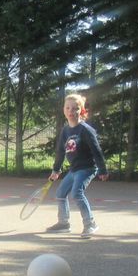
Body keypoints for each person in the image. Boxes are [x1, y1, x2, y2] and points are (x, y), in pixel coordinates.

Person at [46, 93, 109, 238]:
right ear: (64, 110)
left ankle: (90, 224)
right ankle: (64, 223)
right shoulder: (65, 131)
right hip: (74, 169)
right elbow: (61, 152)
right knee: (60, 194)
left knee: (76, 193)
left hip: (87, 168)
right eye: (68, 108)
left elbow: (96, 150)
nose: (71, 111)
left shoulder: (85, 130)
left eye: (75, 108)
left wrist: (103, 169)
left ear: (81, 110)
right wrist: (56, 170)